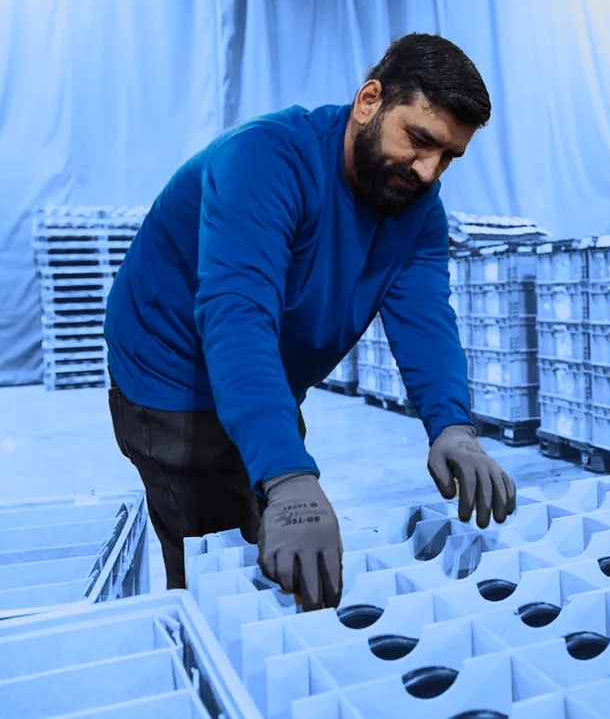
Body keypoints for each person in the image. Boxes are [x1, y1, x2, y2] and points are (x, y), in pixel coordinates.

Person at [103, 33, 517, 612]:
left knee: (274, 515)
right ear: (369, 100)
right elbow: (237, 316)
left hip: (262, 366)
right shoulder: (264, 160)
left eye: (448, 156)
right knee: (218, 555)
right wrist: (288, 476)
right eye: (420, 140)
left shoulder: (416, 205)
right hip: (174, 374)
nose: (428, 171)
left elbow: (425, 317)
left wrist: (452, 425)